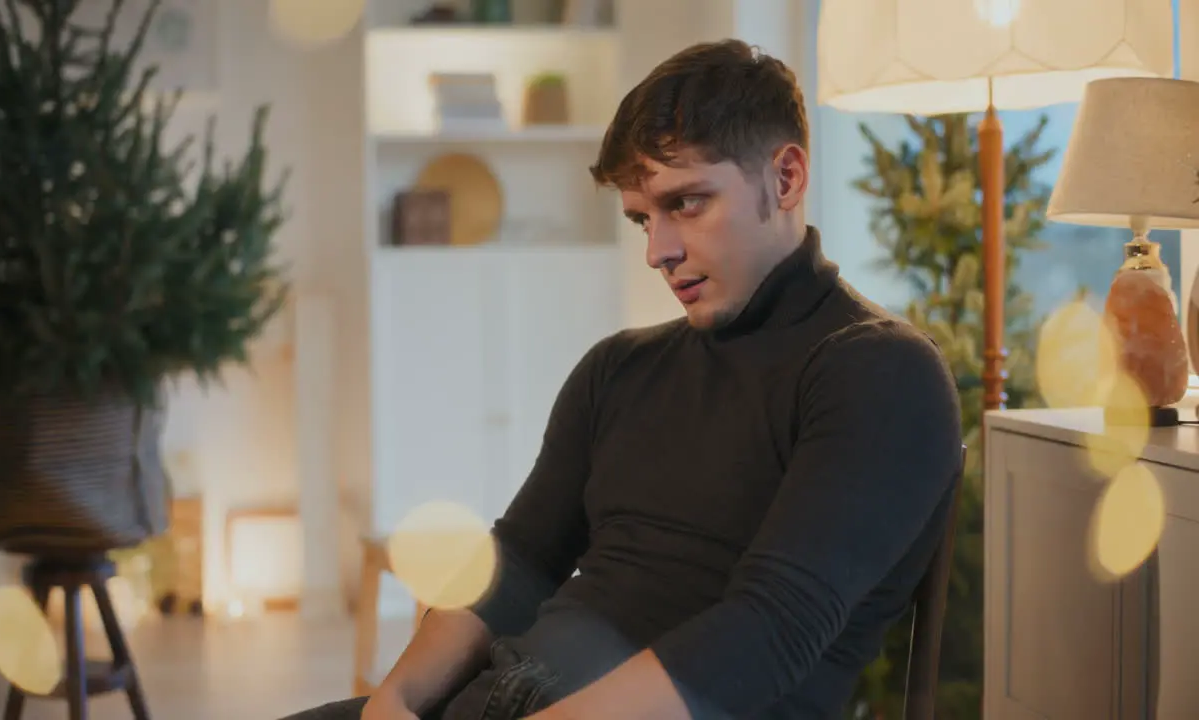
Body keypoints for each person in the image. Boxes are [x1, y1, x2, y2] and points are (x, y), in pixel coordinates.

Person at [284, 38, 962, 720]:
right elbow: (516, 562)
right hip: (500, 697)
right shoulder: (619, 368)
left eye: (687, 204)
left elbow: (767, 632)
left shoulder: (879, 373)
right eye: (643, 217)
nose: (657, 251)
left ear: (785, 179)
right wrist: (394, 702)